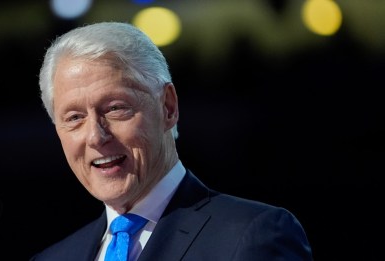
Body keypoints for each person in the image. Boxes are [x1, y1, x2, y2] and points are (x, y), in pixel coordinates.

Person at [31, 21, 313, 261]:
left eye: (116, 108)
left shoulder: (251, 236)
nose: (95, 136)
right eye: (74, 117)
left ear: (168, 106)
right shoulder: (53, 257)